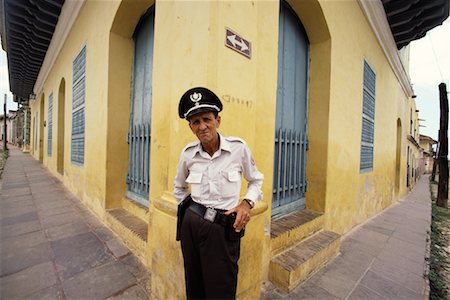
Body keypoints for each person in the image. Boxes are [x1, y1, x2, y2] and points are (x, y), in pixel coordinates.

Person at [174, 87, 264, 299]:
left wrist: (246, 204)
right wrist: (192, 215)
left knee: (221, 288)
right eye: (195, 122)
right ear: (191, 127)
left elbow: (256, 180)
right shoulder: (188, 154)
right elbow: (179, 188)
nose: (202, 126)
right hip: (192, 225)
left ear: (218, 121)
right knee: (194, 283)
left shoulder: (238, 149)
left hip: (222, 229)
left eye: (206, 119)